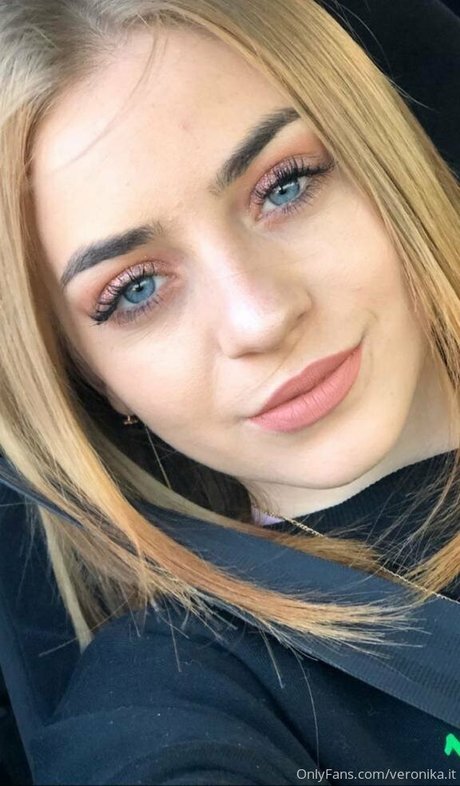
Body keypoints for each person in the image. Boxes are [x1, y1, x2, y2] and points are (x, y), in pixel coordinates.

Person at [0, 0, 459, 783]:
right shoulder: (181, 693)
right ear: (90, 376)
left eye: (284, 187)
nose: (261, 317)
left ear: (381, 158)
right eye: (136, 289)